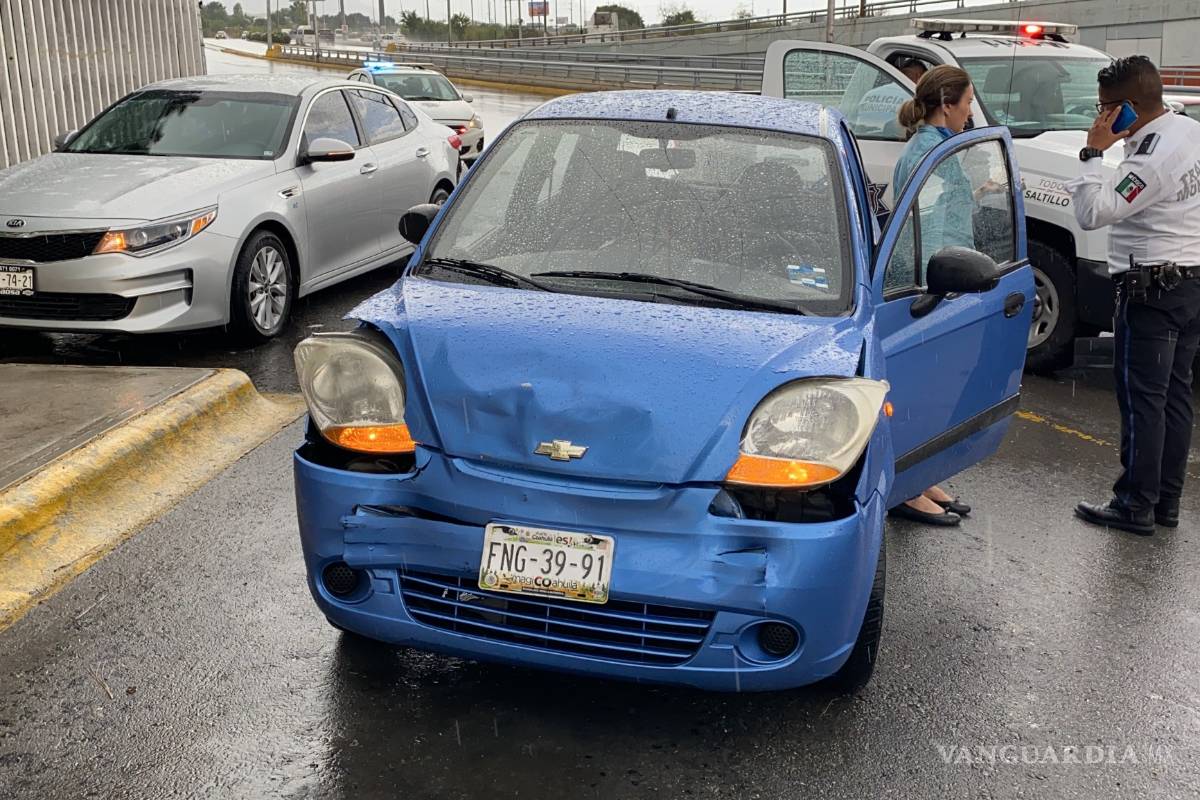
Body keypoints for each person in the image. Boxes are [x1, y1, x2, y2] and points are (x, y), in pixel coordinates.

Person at [1068, 56, 1200, 536]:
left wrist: (1092, 153)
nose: (1099, 118)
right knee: (1175, 397)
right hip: (1188, 283)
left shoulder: (1151, 158)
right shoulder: (1187, 131)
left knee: (1143, 399)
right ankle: (1165, 502)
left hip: (1150, 291)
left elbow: (1092, 212)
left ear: (1126, 107)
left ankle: (1134, 505)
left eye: (1105, 109)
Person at [886, 65, 978, 527]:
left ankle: (921, 478)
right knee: (918, 394)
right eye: (966, 103)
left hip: (939, 282)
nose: (969, 113)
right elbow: (930, 228)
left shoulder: (936, 149)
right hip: (932, 286)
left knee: (933, 392)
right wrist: (941, 288)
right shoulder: (930, 153)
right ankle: (906, 489)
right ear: (947, 104)